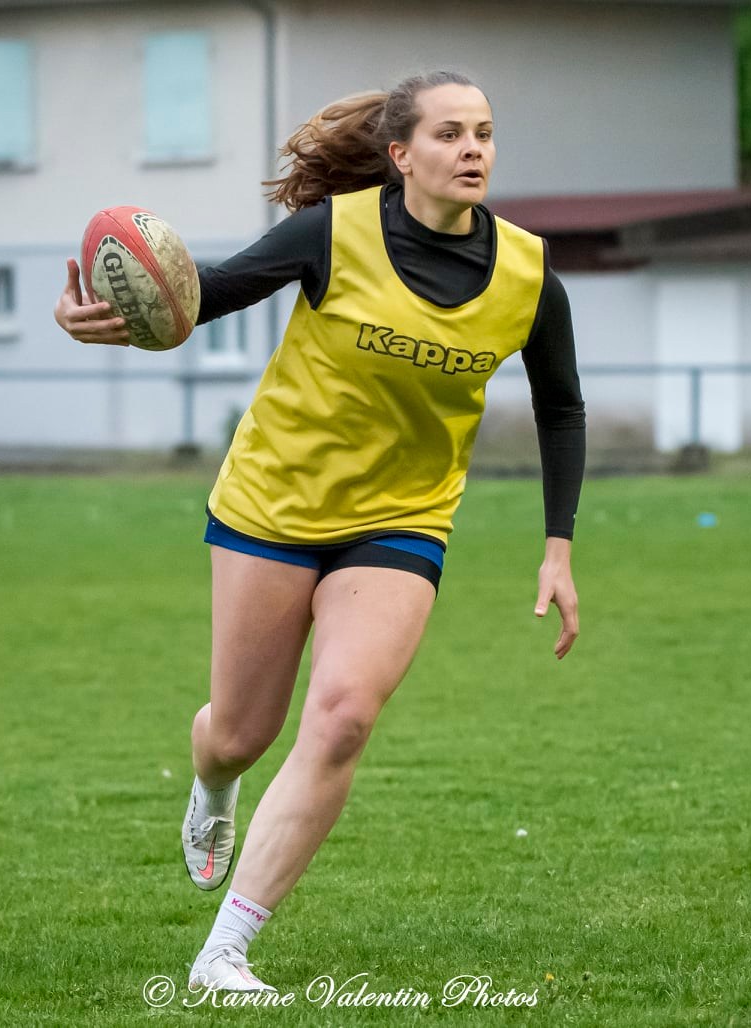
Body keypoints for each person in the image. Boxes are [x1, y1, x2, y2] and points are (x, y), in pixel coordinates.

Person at [54, 71, 584, 993]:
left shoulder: (528, 274)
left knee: (341, 717)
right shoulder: (331, 235)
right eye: (450, 133)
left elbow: (562, 408)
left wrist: (557, 549)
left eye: (485, 134)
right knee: (240, 735)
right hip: (274, 504)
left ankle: (224, 952)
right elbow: (201, 297)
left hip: (401, 521)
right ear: (399, 154)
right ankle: (212, 780)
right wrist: (109, 319)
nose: (472, 150)